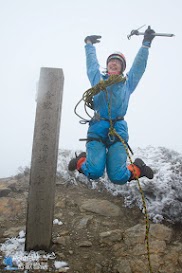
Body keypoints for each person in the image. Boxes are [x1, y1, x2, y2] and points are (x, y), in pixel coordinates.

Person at [68, 26, 155, 184]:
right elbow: (92, 65)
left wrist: (146, 43)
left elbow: (138, 68)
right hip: (98, 126)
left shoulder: (127, 84)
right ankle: (81, 160)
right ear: (107, 65)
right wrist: (89, 44)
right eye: (111, 62)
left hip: (119, 128)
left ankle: (139, 168)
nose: (113, 64)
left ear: (122, 68)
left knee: (118, 177)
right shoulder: (98, 80)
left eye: (118, 63)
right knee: (94, 172)